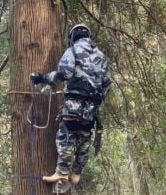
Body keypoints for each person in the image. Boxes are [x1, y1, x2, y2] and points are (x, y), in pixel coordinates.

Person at [30, 24, 111, 185]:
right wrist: (96, 99)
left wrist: (42, 78)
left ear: (73, 37)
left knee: (66, 136)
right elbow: (107, 84)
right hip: (92, 109)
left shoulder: (73, 51)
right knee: (84, 138)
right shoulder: (102, 57)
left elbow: (63, 73)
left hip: (74, 103)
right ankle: (76, 174)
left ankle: (62, 173)